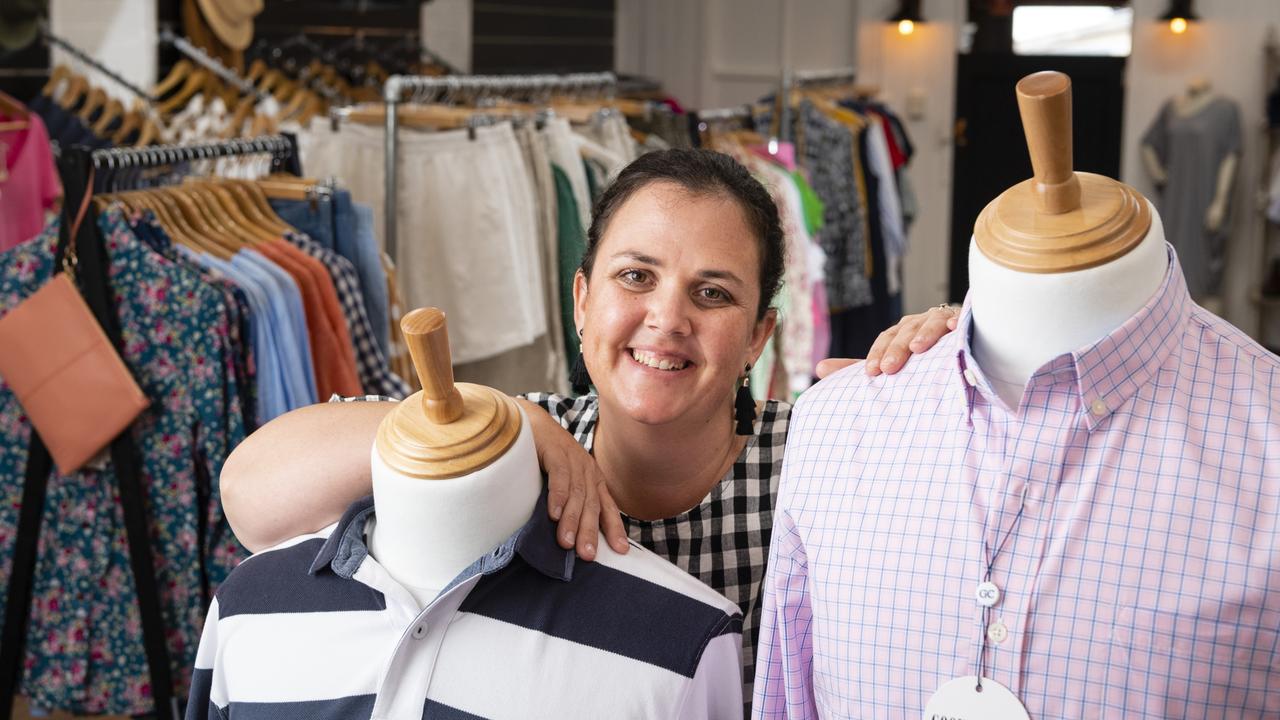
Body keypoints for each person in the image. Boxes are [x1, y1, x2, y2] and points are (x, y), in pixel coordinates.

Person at [219, 149, 959, 705]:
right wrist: (506, 419)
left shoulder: (825, 465)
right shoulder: (503, 447)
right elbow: (251, 496)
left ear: (759, 337)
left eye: (712, 292)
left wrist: (968, 359)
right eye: (636, 277)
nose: (667, 319)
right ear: (581, 301)